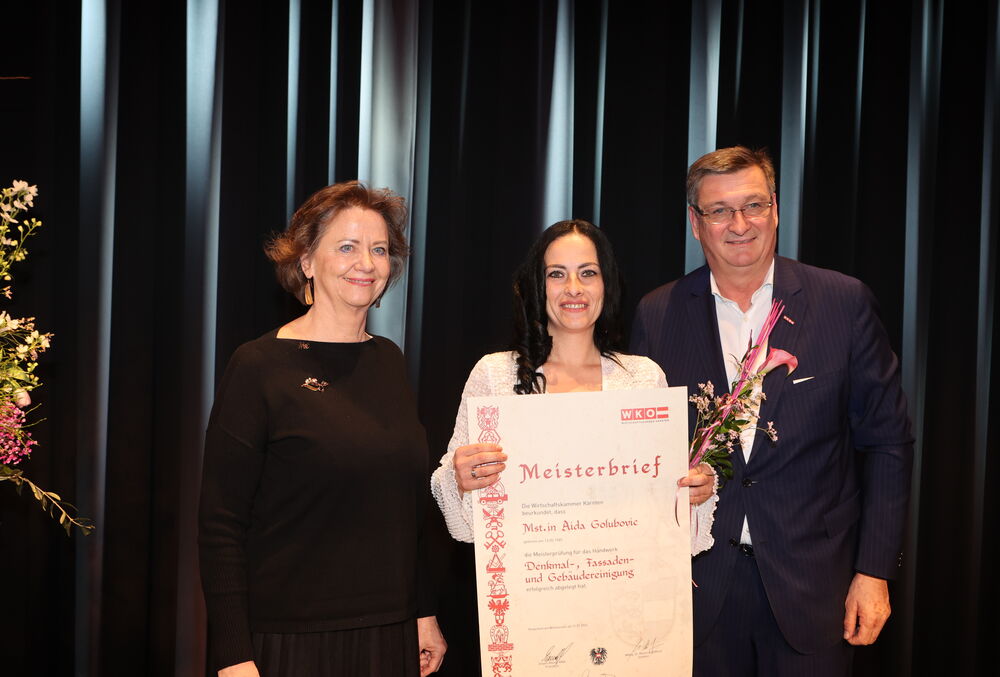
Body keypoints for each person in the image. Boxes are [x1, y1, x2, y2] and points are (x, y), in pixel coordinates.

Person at [631, 146, 913, 676]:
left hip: (816, 591)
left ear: (776, 210)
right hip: (697, 592)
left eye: (754, 205)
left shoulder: (843, 303)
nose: (740, 224)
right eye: (719, 211)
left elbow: (887, 444)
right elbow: (638, 452)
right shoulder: (658, 313)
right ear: (695, 223)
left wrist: (874, 571)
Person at [198, 181, 446, 677]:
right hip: (289, 641)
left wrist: (423, 612)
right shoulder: (258, 365)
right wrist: (232, 655)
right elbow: (221, 523)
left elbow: (406, 509)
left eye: (379, 250)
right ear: (307, 261)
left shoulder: (389, 360)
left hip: (389, 633)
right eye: (347, 247)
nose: (366, 263)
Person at [431, 219, 718, 552]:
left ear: (606, 284)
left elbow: (672, 520)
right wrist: (459, 479)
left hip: (621, 575)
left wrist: (695, 490)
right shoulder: (495, 375)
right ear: (538, 285)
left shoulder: (643, 378)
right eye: (556, 274)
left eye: (588, 273)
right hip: (534, 575)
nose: (573, 288)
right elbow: (459, 518)